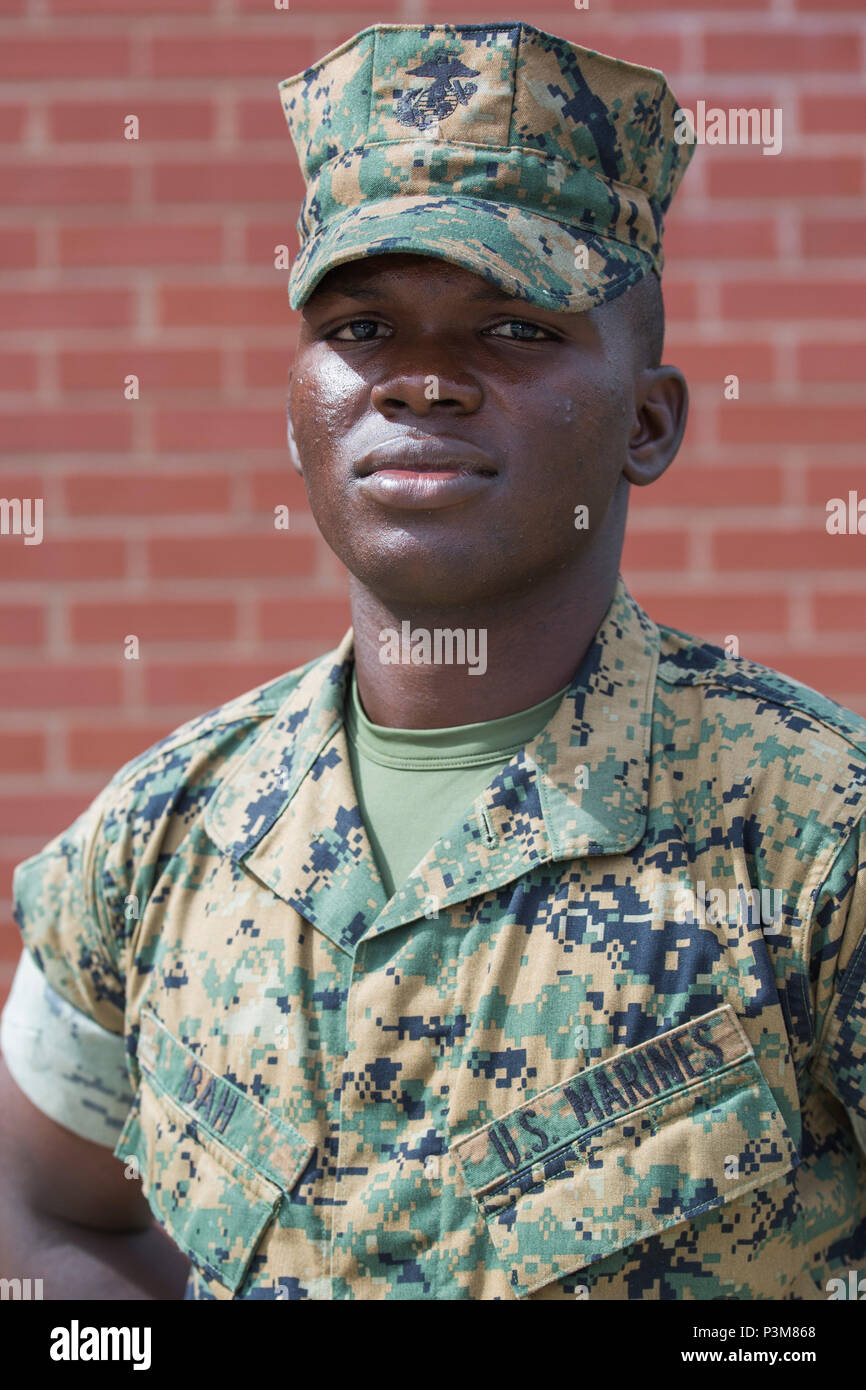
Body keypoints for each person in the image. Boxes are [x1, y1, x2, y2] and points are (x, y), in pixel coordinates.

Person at [1, 20, 864, 1302]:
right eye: (361, 328)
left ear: (646, 421)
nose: (424, 384)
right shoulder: (155, 835)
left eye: (513, 330)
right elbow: (43, 1206)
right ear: (298, 409)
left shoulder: (818, 832)